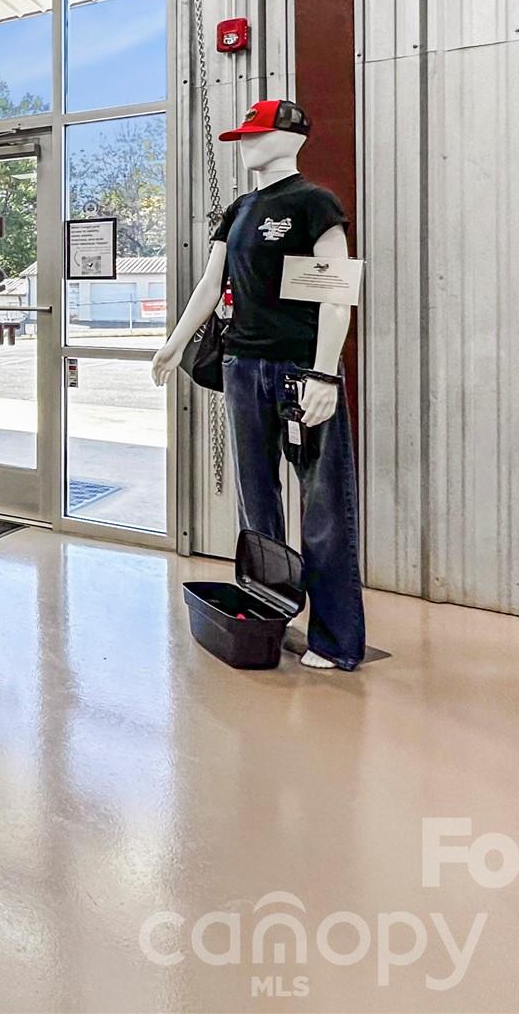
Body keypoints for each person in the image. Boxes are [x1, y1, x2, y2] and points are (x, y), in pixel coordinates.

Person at [151, 100, 365, 670]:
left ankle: (335, 640)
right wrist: (175, 343)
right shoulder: (240, 210)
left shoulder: (315, 204)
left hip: (299, 370)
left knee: (325, 505)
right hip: (241, 367)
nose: (246, 144)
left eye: (256, 135)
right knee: (256, 500)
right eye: (243, 137)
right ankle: (267, 614)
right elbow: (209, 285)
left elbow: (336, 296)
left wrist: (324, 373)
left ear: (291, 138)